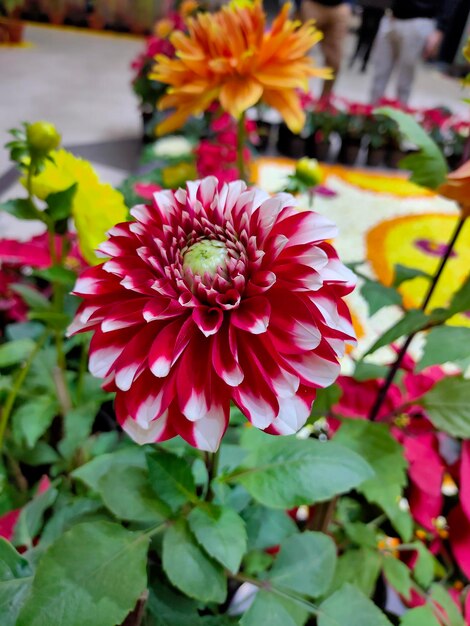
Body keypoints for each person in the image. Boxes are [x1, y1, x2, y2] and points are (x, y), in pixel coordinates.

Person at [370, 0, 458, 104]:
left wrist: (440, 29)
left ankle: (400, 115)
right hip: (391, 16)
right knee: (380, 72)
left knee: (405, 78)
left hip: (419, 19)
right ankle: (371, 112)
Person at [300, 0, 352, 97]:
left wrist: (349, 4)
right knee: (298, 54)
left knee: (334, 60)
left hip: (339, 7)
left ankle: (324, 102)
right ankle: (289, 95)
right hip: (312, 5)